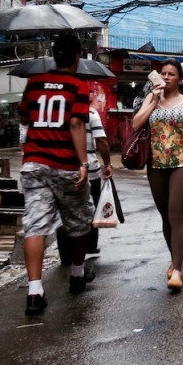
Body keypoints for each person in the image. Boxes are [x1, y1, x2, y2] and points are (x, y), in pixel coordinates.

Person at [17, 34, 94, 315]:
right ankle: (77, 272)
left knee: (34, 225)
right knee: (80, 221)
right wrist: (83, 163)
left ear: (53, 55)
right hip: (66, 166)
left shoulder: (34, 82)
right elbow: (76, 123)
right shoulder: (78, 86)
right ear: (77, 57)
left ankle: (35, 291)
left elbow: (23, 117)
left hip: (35, 163)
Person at [132, 59, 183, 292]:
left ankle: (177, 270)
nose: (166, 77)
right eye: (163, 73)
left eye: (171, 74)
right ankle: (174, 258)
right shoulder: (151, 99)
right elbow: (137, 124)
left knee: (176, 214)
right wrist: (153, 100)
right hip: (156, 164)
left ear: (179, 79)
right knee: (165, 216)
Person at [56, 107, 113, 266]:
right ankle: (90, 247)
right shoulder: (91, 113)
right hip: (90, 171)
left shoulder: (60, 112)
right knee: (90, 210)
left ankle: (65, 255)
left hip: (62, 169)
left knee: (64, 211)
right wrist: (107, 164)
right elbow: (101, 140)